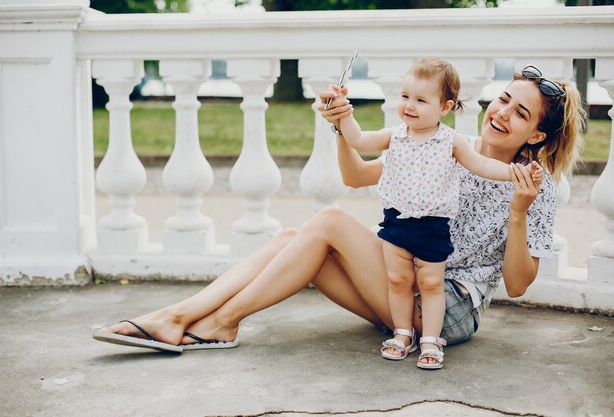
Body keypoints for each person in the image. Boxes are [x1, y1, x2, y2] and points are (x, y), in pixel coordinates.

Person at [93, 65, 585, 364]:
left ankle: (194, 320)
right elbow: (357, 176)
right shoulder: (445, 144)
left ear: (536, 136)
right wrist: (339, 128)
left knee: (327, 222)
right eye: (504, 99)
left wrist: (518, 213)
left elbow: (518, 285)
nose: (502, 113)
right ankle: (191, 319)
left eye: (521, 113)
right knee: (292, 235)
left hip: (446, 310)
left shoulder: (537, 187)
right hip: (398, 289)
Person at [333, 59, 542, 368]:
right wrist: (343, 114)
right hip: (396, 223)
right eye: (405, 96)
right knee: (398, 280)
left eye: (421, 100)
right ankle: (402, 333)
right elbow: (358, 140)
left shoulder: (451, 142)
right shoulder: (394, 136)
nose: (410, 106)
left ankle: (431, 340)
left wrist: (514, 173)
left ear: (444, 107)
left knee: (431, 284)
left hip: (432, 227)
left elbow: (482, 165)